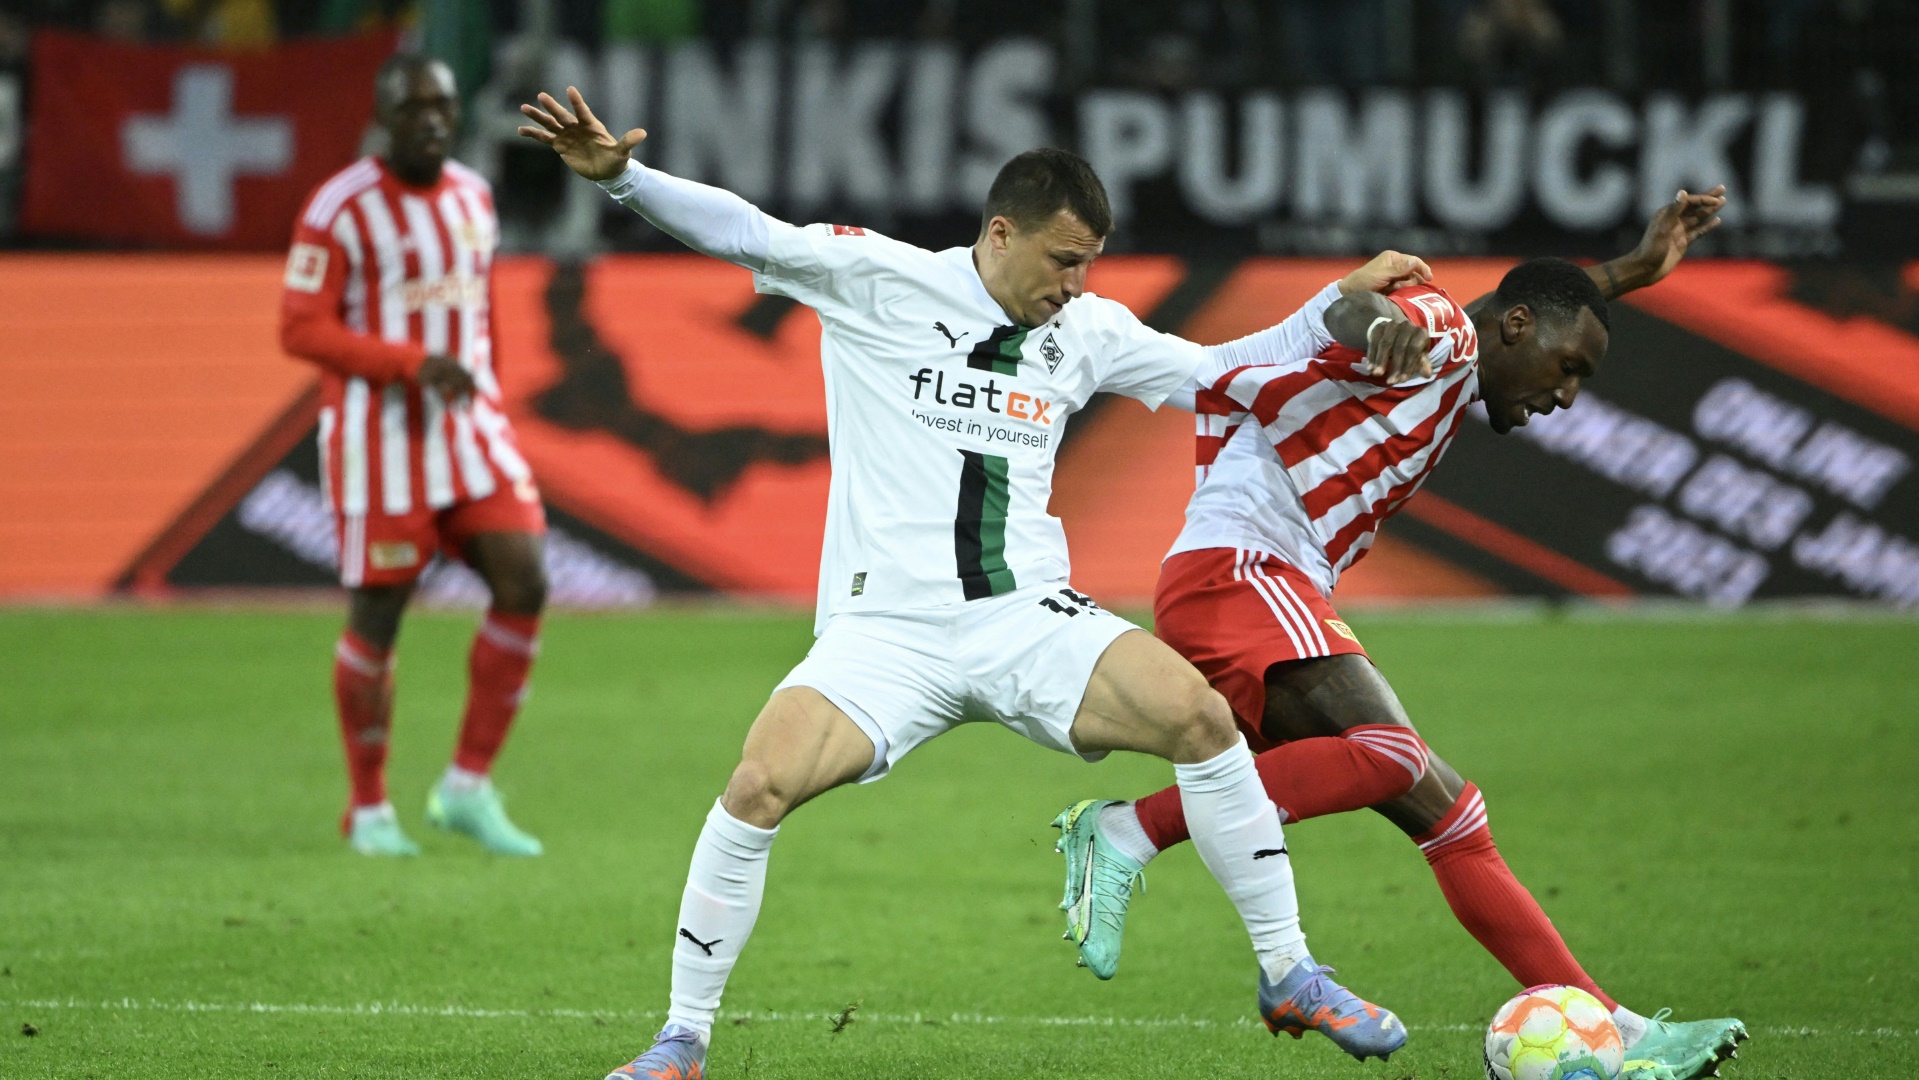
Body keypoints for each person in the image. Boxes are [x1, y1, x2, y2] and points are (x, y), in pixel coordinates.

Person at [517, 86, 1423, 1079]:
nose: (1076, 283)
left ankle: (1286, 969)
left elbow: (1223, 371)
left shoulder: (1085, 332)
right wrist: (624, 182)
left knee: (1199, 719)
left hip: (1023, 618)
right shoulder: (878, 278)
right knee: (756, 784)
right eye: (1062, 259)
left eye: (1089, 264)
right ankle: (682, 1041)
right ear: (1001, 235)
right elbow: (747, 233)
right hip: (884, 634)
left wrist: (1339, 311)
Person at [1052, 190, 1750, 1079]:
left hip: (1265, 582)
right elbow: (1362, 310)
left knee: (1453, 815)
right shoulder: (1442, 334)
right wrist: (1373, 320)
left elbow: (1555, 293)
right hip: (1244, 569)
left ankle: (1621, 1033)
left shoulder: (1486, 343)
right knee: (1388, 750)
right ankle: (1124, 832)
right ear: (1514, 328)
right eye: (1565, 367)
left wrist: (1635, 270)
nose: (1564, 395)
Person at [280, 55, 547, 858]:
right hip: (380, 439)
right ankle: (367, 808)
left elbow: (479, 309)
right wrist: (405, 363)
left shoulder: (472, 195)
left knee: (525, 580)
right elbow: (300, 327)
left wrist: (489, 387)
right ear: (384, 116)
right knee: (381, 614)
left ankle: (467, 786)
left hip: (469, 432)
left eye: (445, 105)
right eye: (416, 107)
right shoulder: (339, 209)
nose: (433, 119)